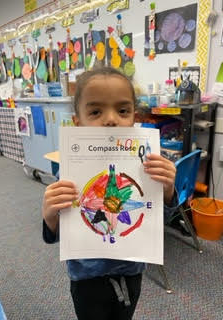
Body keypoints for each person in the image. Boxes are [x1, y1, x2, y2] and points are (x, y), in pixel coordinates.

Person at [42, 66, 178, 320]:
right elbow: (58, 234)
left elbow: (162, 219)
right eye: (95, 111)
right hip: (86, 277)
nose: (111, 119)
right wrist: (50, 216)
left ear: (134, 118)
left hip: (131, 270)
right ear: (77, 121)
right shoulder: (71, 173)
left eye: (123, 110)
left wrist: (168, 190)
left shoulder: (147, 165)